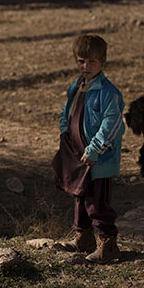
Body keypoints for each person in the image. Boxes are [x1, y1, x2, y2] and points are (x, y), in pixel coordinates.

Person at [52, 34, 125, 263]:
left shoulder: (108, 92)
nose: (86, 66)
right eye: (81, 61)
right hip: (78, 156)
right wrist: (65, 130)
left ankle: (108, 245)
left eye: (92, 62)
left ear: (103, 61)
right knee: (80, 197)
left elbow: (112, 124)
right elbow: (67, 110)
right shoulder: (77, 86)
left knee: (96, 202)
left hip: (98, 159)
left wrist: (95, 149)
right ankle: (83, 238)